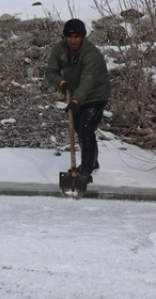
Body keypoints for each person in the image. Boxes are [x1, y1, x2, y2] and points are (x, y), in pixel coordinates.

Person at [44, 18, 111, 182]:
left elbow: (88, 81)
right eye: (70, 37)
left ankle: (85, 172)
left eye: (77, 37)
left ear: (83, 37)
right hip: (76, 95)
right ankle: (92, 163)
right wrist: (62, 83)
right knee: (80, 131)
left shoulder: (91, 54)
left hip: (96, 94)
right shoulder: (59, 50)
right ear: (64, 37)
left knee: (86, 128)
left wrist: (75, 101)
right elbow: (50, 72)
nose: (73, 41)